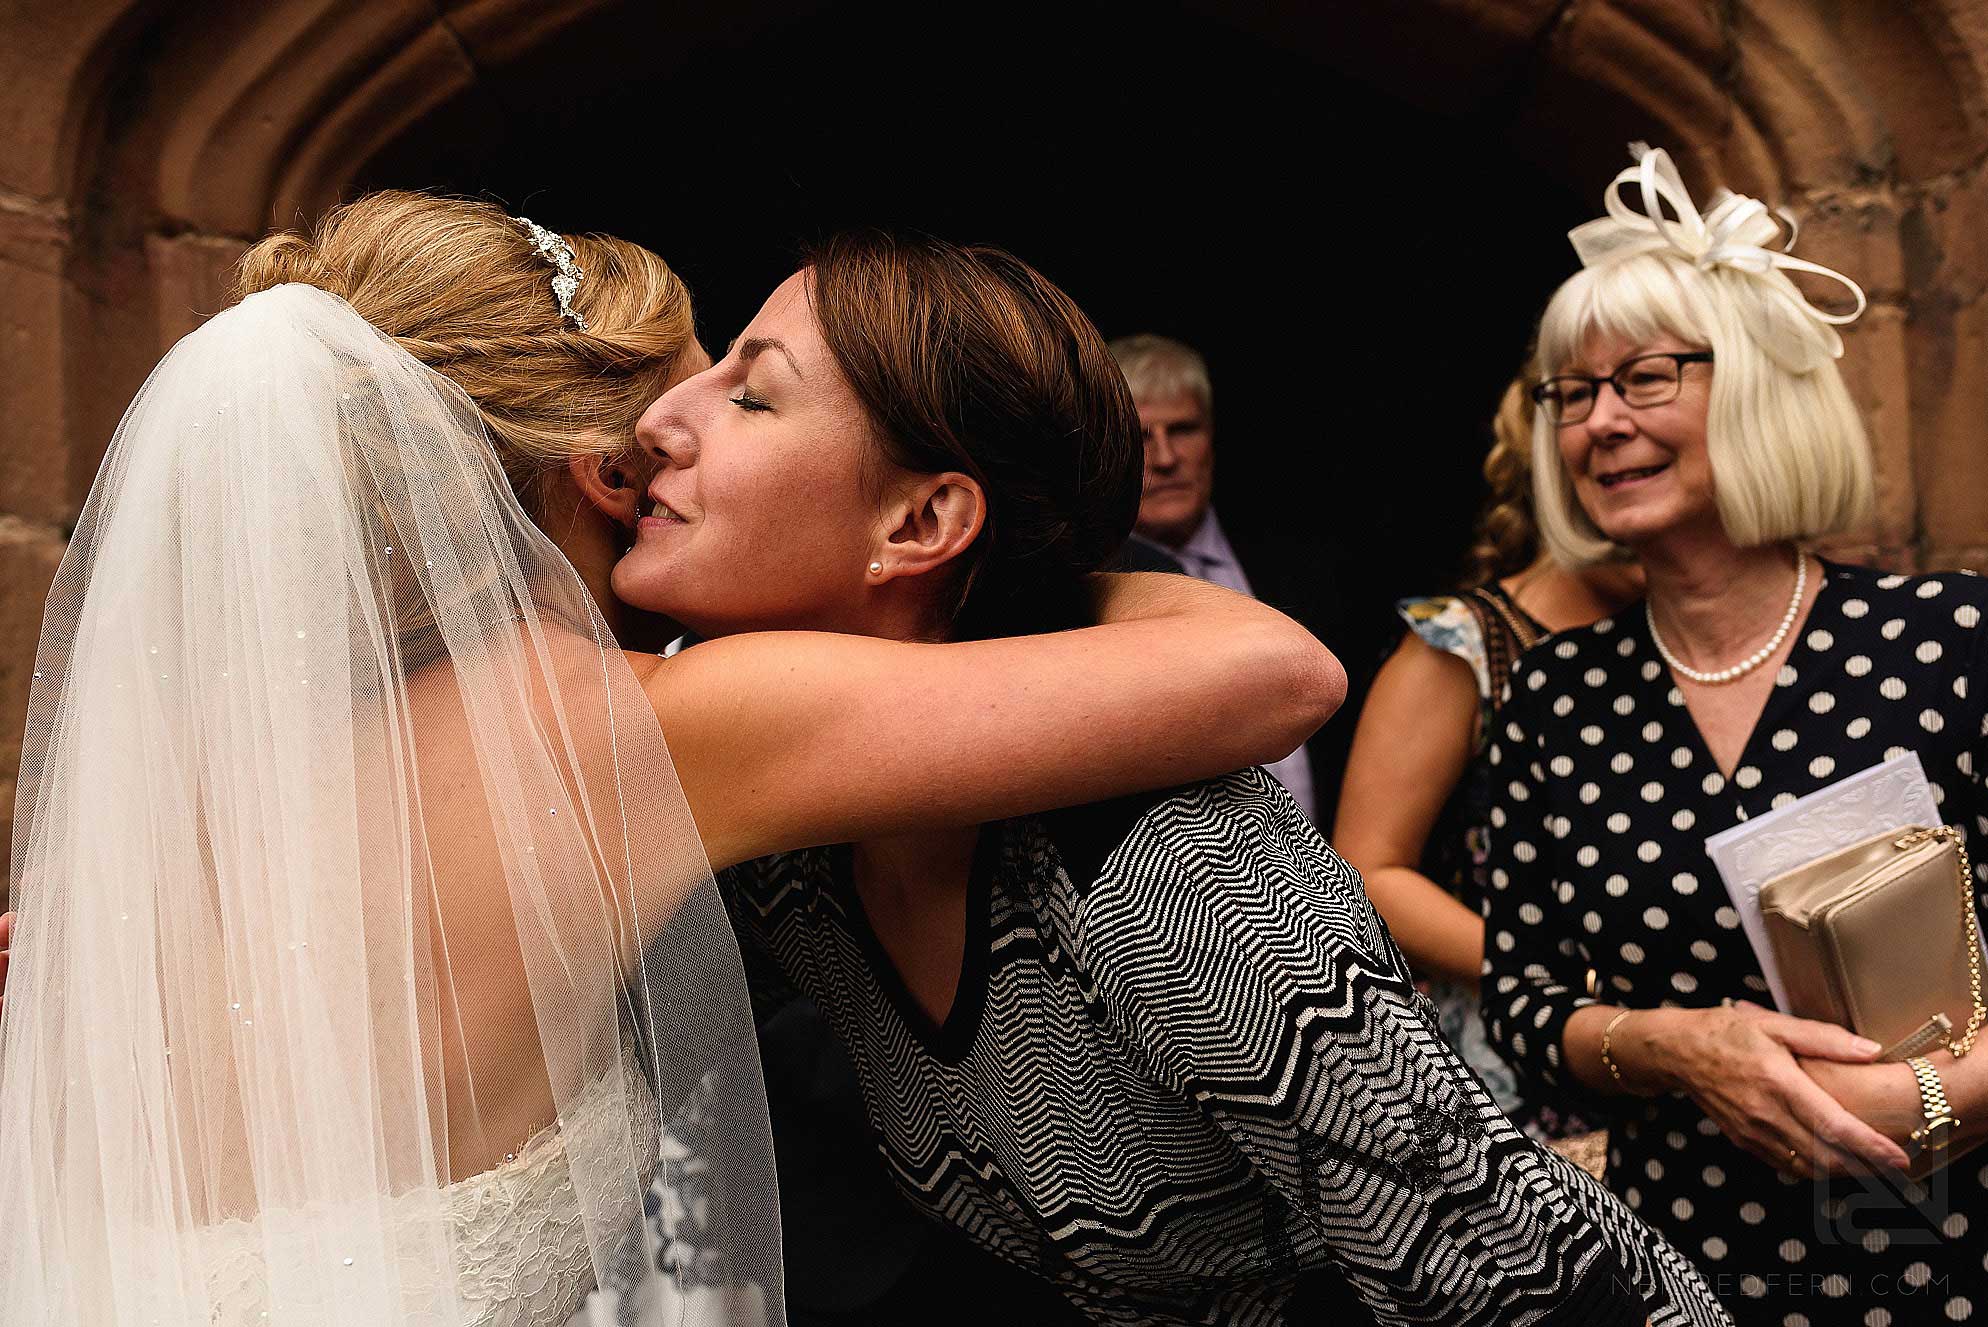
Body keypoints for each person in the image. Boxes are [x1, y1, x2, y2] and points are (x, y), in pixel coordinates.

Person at [0, 195, 1339, 1326]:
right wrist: (1038, 561)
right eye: (708, 384)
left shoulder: (203, 787)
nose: (690, 425)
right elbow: (1279, 671)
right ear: (607, 468)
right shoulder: (644, 727)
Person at [628, 230, 1733, 1325]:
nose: (658, 424)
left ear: (920, 521)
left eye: (751, 397)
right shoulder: (794, 862)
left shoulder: (1166, 877)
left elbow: (1523, 1283)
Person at [1479, 145, 1988, 1325]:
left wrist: (1926, 1104)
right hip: (1688, 1271)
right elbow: (1523, 1001)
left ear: (1755, 383)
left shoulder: (1953, 637)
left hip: (1959, 1250)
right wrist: (1680, 1046)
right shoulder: (1553, 697)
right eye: (1571, 393)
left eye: (1643, 378)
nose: (1600, 422)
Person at [1335, 377, 1640, 1160]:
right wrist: (1553, 979)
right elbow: (1368, 870)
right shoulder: (1463, 643)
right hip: (1511, 1075)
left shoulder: (1680, 633)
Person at [1108, 334, 1322, 820]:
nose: (1164, 458)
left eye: (1183, 429)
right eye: (1140, 436)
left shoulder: (1304, 567)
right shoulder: (1084, 587)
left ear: (1213, 436)